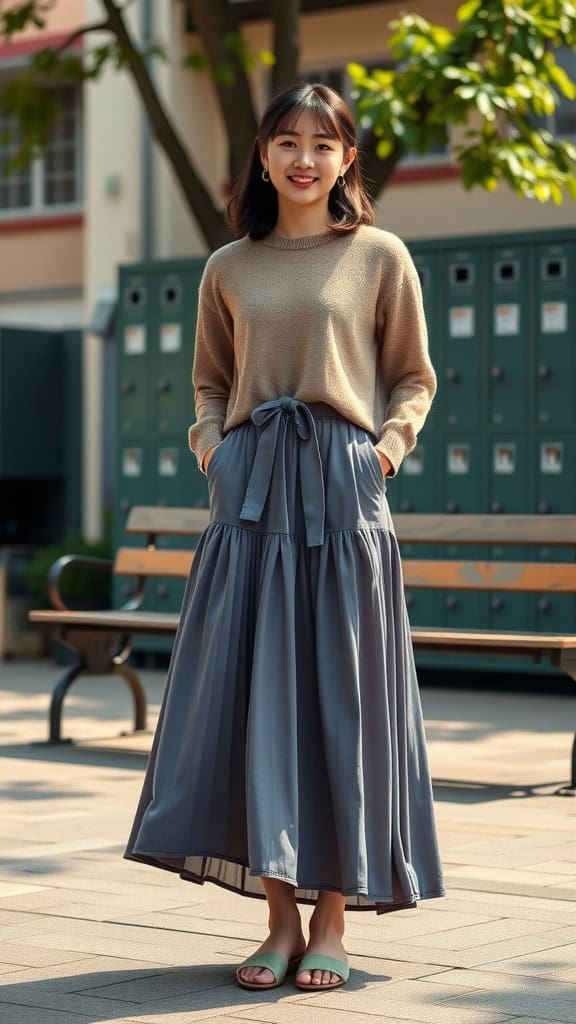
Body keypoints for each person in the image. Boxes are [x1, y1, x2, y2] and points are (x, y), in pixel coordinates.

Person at [124, 81, 446, 993]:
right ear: (262, 157)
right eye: (287, 142)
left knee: (343, 702)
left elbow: (413, 378)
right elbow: (208, 383)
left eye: (323, 143)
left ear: (348, 159)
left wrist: (382, 453)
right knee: (254, 698)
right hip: (250, 492)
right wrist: (211, 451)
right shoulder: (228, 265)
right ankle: (276, 921)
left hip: (344, 489)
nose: (304, 158)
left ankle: (334, 920)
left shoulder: (379, 256)